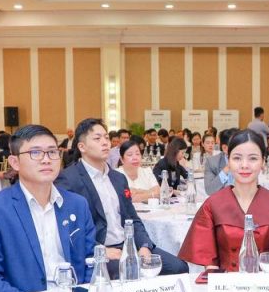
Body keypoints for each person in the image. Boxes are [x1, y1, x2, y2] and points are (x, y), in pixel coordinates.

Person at [0, 125, 95, 292]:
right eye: (35, 153)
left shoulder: (77, 204)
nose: (46, 160)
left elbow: (91, 260)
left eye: (52, 152)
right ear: (15, 162)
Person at [56, 118, 188, 278]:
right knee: (129, 274)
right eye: (97, 138)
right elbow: (70, 230)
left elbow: (133, 218)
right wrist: (102, 250)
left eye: (106, 137)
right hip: (99, 250)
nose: (105, 142)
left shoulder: (118, 178)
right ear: (82, 146)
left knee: (179, 267)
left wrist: (144, 245)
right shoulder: (69, 179)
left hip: (128, 245)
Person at [179, 130, 269, 272]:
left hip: (268, 282)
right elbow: (210, 264)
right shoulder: (212, 205)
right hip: (225, 282)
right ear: (228, 161)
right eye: (237, 158)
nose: (244, 165)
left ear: (263, 161)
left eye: (253, 158)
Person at [204, 129, 233, 195]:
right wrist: (226, 169)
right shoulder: (212, 162)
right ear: (225, 148)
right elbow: (209, 190)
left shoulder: (248, 161)